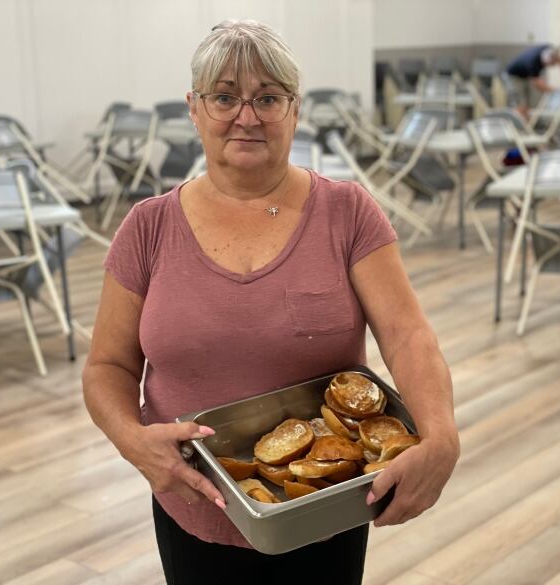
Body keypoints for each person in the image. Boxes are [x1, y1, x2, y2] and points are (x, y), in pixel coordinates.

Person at [81, 19, 459, 585]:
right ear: (193, 107)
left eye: (268, 98)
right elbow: (107, 366)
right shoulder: (148, 227)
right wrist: (132, 441)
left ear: (295, 109)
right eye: (224, 97)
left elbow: (409, 335)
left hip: (324, 506)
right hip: (194, 507)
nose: (247, 116)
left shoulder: (347, 212)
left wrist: (442, 436)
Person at [505, 44, 560, 117]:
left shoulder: (549, 49)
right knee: (519, 103)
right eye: (550, 65)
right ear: (545, 61)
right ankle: (518, 124)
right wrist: (557, 90)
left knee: (526, 102)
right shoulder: (533, 62)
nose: (551, 67)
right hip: (513, 76)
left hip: (524, 75)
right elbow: (539, 86)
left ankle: (526, 123)